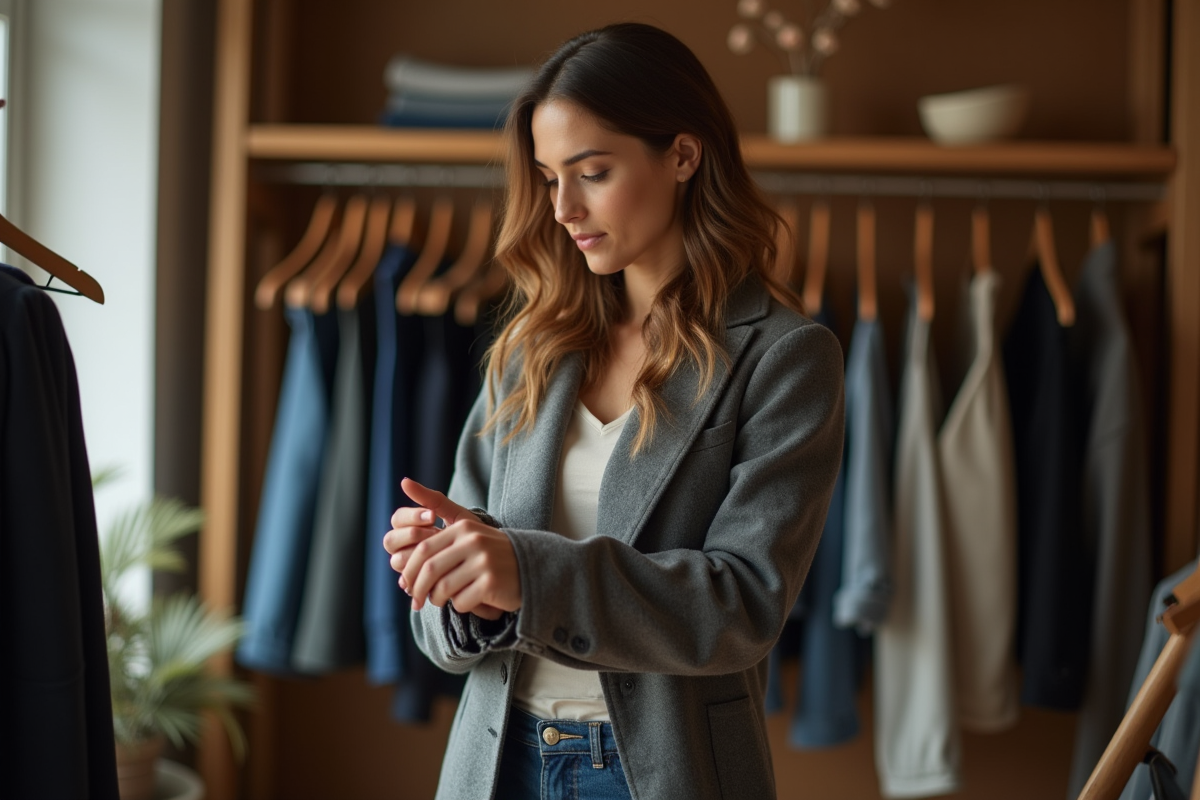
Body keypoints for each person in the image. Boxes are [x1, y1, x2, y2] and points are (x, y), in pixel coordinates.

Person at [382, 22, 844, 800]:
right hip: (496, 765)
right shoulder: (532, 347)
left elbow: (742, 606)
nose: (563, 208)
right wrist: (454, 574)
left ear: (683, 156)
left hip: (662, 775)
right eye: (548, 178)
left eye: (592, 172)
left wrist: (526, 572)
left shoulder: (786, 356)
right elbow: (441, 636)